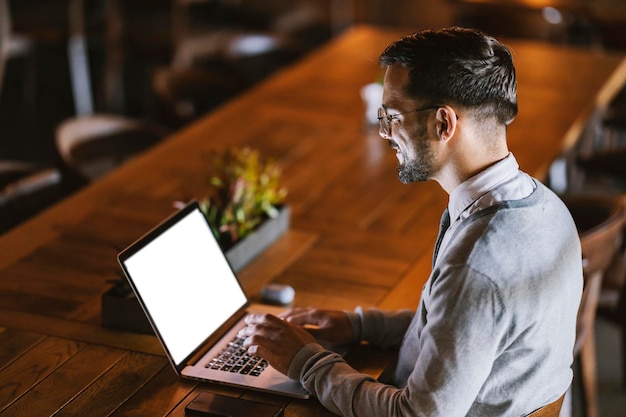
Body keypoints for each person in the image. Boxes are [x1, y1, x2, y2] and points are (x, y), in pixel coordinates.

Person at [239, 27, 583, 416]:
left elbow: (416, 414)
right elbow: (464, 327)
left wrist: (305, 362)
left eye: (393, 115)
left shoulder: (478, 263)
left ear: (443, 123)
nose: (386, 133)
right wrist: (359, 326)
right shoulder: (543, 205)